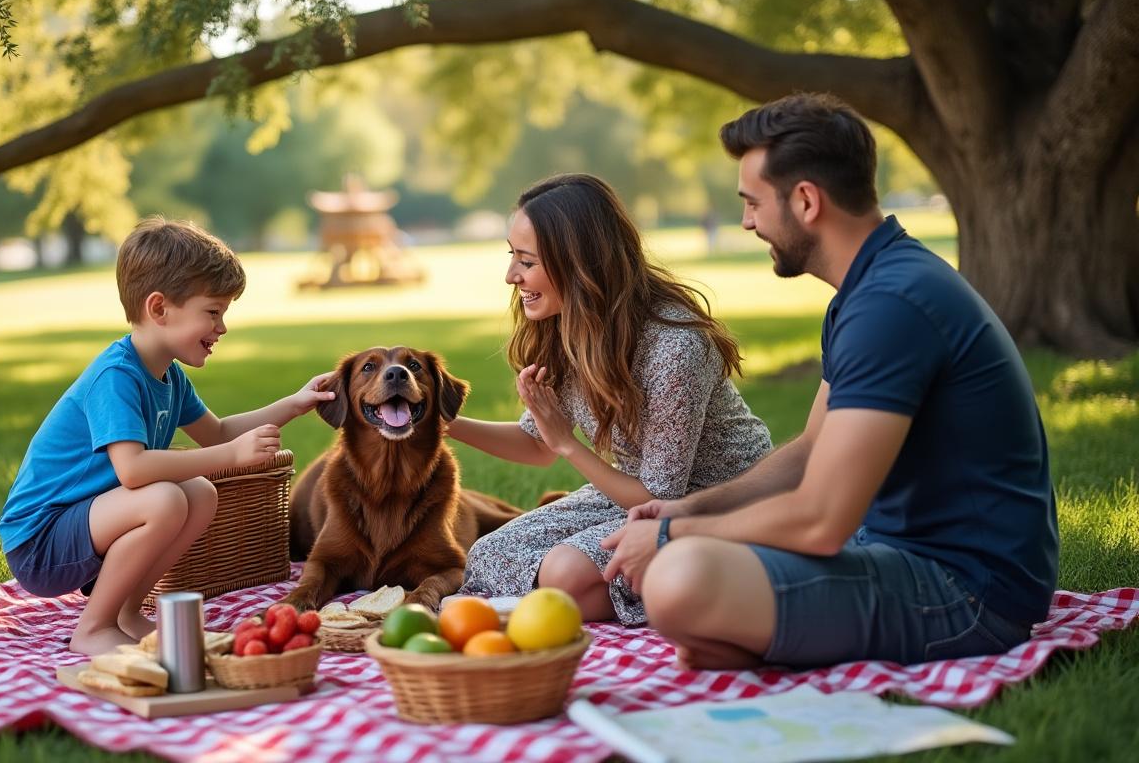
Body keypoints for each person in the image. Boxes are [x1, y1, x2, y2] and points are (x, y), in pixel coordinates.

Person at [603, 93, 1058, 670]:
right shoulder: (865, 292)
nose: (747, 222)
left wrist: (676, 540)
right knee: (692, 594)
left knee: (680, 579)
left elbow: (822, 520)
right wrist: (684, 509)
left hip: (967, 591)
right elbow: (809, 451)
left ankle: (764, 631)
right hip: (890, 554)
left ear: (806, 201)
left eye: (753, 203)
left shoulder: (892, 303)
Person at [0, 217, 333, 655]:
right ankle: (92, 628)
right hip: (40, 540)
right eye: (212, 312)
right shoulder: (116, 376)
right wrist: (233, 456)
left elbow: (217, 433)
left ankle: (125, 613)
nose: (222, 327)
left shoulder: (169, 377)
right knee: (165, 498)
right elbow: (134, 470)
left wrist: (295, 402)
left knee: (199, 493)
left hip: (86, 523)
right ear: (160, 309)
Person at [449, 173, 773, 626]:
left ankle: (703, 579)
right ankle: (565, 602)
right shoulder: (569, 331)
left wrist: (567, 444)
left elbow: (659, 494)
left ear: (578, 264)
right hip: (631, 494)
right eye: (512, 256)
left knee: (565, 571)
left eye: (527, 261)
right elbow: (537, 446)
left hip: (718, 500)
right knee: (491, 553)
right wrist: (441, 422)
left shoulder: (674, 348)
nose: (511, 276)